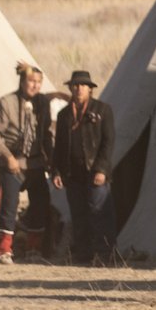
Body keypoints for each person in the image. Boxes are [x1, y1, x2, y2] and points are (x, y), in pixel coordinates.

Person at [0, 62, 47, 265]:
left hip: (35, 163)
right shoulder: (6, 102)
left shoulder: (43, 103)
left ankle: (34, 249)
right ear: (22, 81)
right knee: (9, 204)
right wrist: (8, 157)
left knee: (40, 203)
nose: (35, 86)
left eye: (38, 82)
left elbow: (46, 133)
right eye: (31, 81)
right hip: (11, 161)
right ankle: (3, 250)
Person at [51, 71, 116, 264]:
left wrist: (102, 169)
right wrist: (57, 171)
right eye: (75, 85)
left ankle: (104, 254)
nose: (79, 89)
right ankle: (84, 254)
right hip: (73, 173)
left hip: (95, 172)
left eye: (83, 85)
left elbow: (108, 142)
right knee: (78, 215)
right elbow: (59, 146)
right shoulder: (64, 115)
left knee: (99, 214)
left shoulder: (103, 110)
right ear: (70, 88)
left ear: (90, 89)